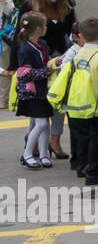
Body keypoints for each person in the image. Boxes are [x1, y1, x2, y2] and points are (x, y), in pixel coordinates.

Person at [23, 0, 77, 160]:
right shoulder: (31, 7)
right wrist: (18, 65)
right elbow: (19, 36)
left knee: (58, 101)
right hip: (38, 59)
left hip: (61, 59)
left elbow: (74, 33)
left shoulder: (66, 7)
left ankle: (55, 140)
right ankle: (34, 140)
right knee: (39, 101)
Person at [63, 16, 98, 185]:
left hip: (80, 102)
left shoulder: (79, 52)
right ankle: (94, 172)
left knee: (85, 137)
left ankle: (84, 166)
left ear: (81, 35)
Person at [14, 12, 54, 169]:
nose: (46, 28)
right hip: (33, 92)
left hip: (44, 89)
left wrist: (53, 63)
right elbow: (24, 73)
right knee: (42, 123)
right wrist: (47, 71)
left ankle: (44, 154)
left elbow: (47, 60)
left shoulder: (43, 45)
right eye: (44, 25)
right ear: (38, 29)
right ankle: (27, 154)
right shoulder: (25, 50)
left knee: (46, 123)